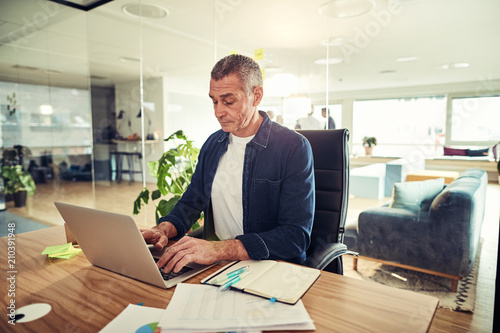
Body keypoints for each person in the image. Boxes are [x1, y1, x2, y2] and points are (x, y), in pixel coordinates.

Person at [141, 54, 315, 274]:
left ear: (257, 95)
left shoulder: (293, 148)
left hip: (273, 268)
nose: (218, 112)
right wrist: (165, 228)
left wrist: (219, 249)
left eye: (228, 101)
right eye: (214, 101)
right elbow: (191, 203)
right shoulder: (213, 144)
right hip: (220, 266)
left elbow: (295, 237)